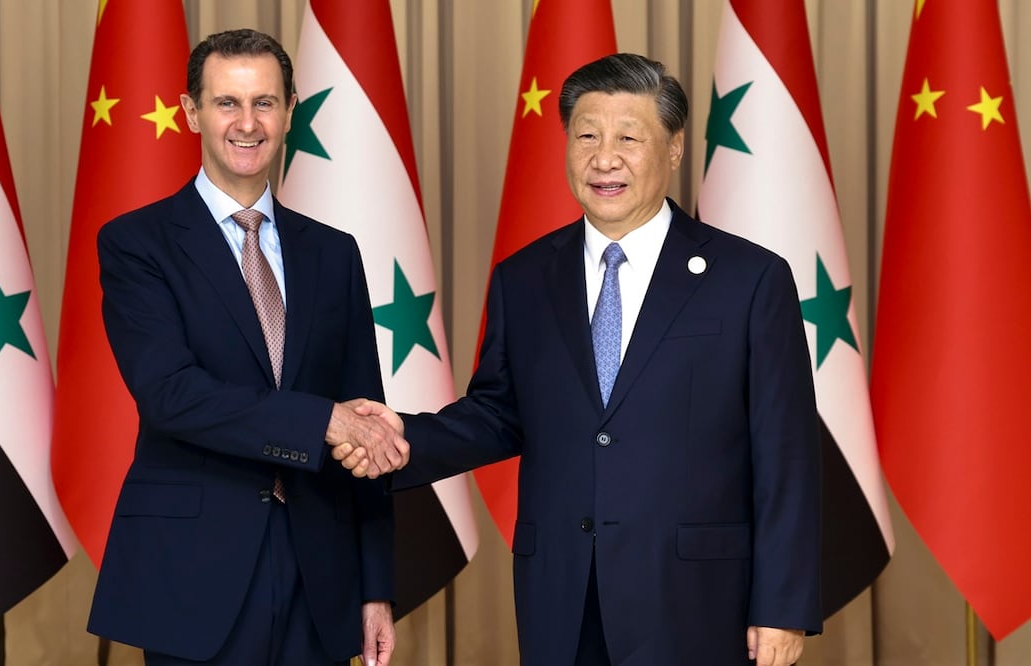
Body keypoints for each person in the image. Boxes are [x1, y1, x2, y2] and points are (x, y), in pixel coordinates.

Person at [337, 53, 822, 665]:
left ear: (674, 148)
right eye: (587, 135)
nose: (604, 158)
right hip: (562, 594)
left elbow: (787, 454)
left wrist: (782, 606)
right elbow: (498, 414)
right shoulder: (525, 277)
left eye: (628, 137)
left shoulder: (749, 279)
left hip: (697, 598)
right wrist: (400, 438)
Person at [86, 29, 408, 666]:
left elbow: (365, 417)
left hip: (320, 571)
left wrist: (376, 587)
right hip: (194, 571)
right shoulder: (136, 243)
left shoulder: (334, 252)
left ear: (291, 110)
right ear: (191, 111)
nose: (247, 123)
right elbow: (171, 395)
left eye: (264, 103)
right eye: (227, 103)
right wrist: (322, 421)